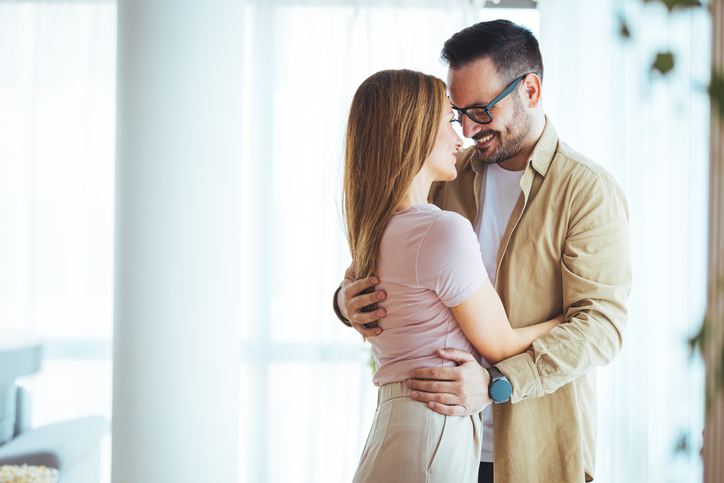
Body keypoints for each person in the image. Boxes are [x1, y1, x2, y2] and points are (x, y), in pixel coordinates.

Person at [333, 20, 632, 483]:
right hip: (443, 442)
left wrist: (498, 384)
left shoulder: (586, 192)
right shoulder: (444, 176)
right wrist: (344, 300)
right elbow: (391, 251)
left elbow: (602, 327)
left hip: (535, 454)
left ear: (530, 90)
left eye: (481, 109)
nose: (469, 128)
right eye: (458, 112)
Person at [342, 69, 564, 483]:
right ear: (414, 133)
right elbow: (501, 344)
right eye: (449, 121)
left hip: (394, 427)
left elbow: (353, 292)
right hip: (433, 431)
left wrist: (341, 302)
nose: (460, 135)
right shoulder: (441, 229)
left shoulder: (374, 229)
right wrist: (569, 318)